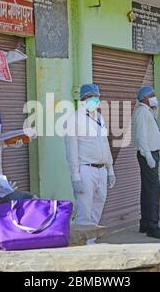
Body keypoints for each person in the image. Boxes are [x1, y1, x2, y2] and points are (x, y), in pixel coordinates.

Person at [64, 83, 116, 226]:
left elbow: (105, 144)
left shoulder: (99, 118)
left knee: (97, 207)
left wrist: (110, 169)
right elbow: (71, 150)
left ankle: (90, 239)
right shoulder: (73, 119)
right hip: (85, 170)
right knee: (85, 210)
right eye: (90, 97)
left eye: (97, 97)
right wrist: (75, 177)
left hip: (101, 170)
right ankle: (83, 244)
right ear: (82, 99)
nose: (94, 100)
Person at [133, 86, 160, 239]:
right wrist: (148, 156)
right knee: (154, 189)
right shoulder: (142, 112)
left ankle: (145, 223)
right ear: (144, 98)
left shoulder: (148, 111)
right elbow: (141, 137)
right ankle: (153, 226)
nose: (155, 97)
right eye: (152, 95)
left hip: (151, 153)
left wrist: (155, 108)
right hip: (148, 154)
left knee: (147, 190)